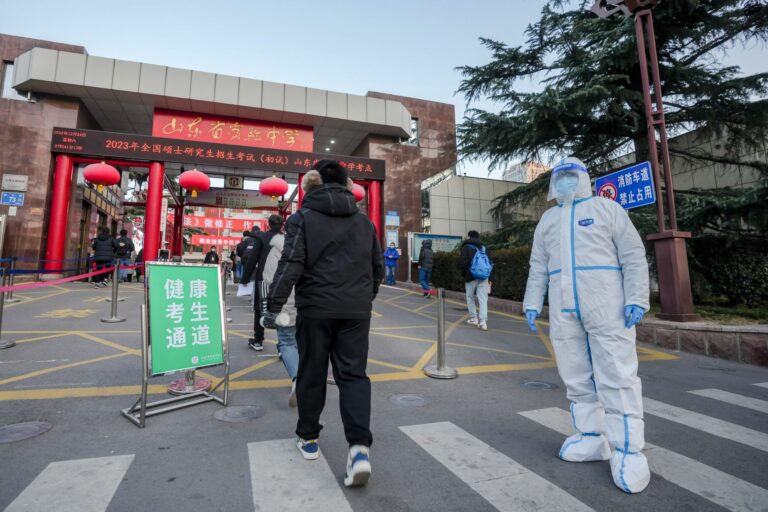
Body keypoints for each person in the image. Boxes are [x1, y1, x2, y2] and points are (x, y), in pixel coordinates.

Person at [522, 157, 650, 494]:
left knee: (617, 373)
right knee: (574, 373)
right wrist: (532, 302)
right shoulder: (548, 220)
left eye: (571, 175)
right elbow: (538, 265)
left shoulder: (608, 210)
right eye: (560, 176)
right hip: (564, 309)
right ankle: (592, 436)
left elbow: (633, 256)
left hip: (607, 306)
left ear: (583, 178)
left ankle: (629, 451)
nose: (565, 181)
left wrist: (637, 298)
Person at [265, 160, 383, 487]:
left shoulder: (302, 218)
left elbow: (291, 264)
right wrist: (363, 299)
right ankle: (359, 449)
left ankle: (309, 438)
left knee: (312, 372)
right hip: (356, 312)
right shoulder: (364, 222)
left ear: (311, 184)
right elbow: (377, 269)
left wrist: (273, 306)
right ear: (348, 186)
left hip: (315, 309)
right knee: (354, 377)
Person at [261, 231, 299, 407]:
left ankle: (297, 378)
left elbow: (269, 278)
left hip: (284, 304)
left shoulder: (277, 249)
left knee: (287, 342)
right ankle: (309, 380)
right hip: (311, 304)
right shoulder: (312, 244)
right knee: (307, 343)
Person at [242, 215, 284, 351]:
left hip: (263, 279)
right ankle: (282, 346)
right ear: (282, 225)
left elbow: (252, 259)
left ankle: (258, 341)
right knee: (281, 310)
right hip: (281, 280)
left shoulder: (262, 238)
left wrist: (245, 279)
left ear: (268, 224)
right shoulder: (287, 239)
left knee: (259, 309)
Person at [458, 230, 491, 331]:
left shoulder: (466, 247)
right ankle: (483, 322)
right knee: (483, 299)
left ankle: (474, 318)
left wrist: (464, 274)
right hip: (484, 277)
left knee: (470, 297)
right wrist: (490, 277)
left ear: (469, 237)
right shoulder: (484, 248)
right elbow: (490, 263)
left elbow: (462, 263)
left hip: (471, 276)